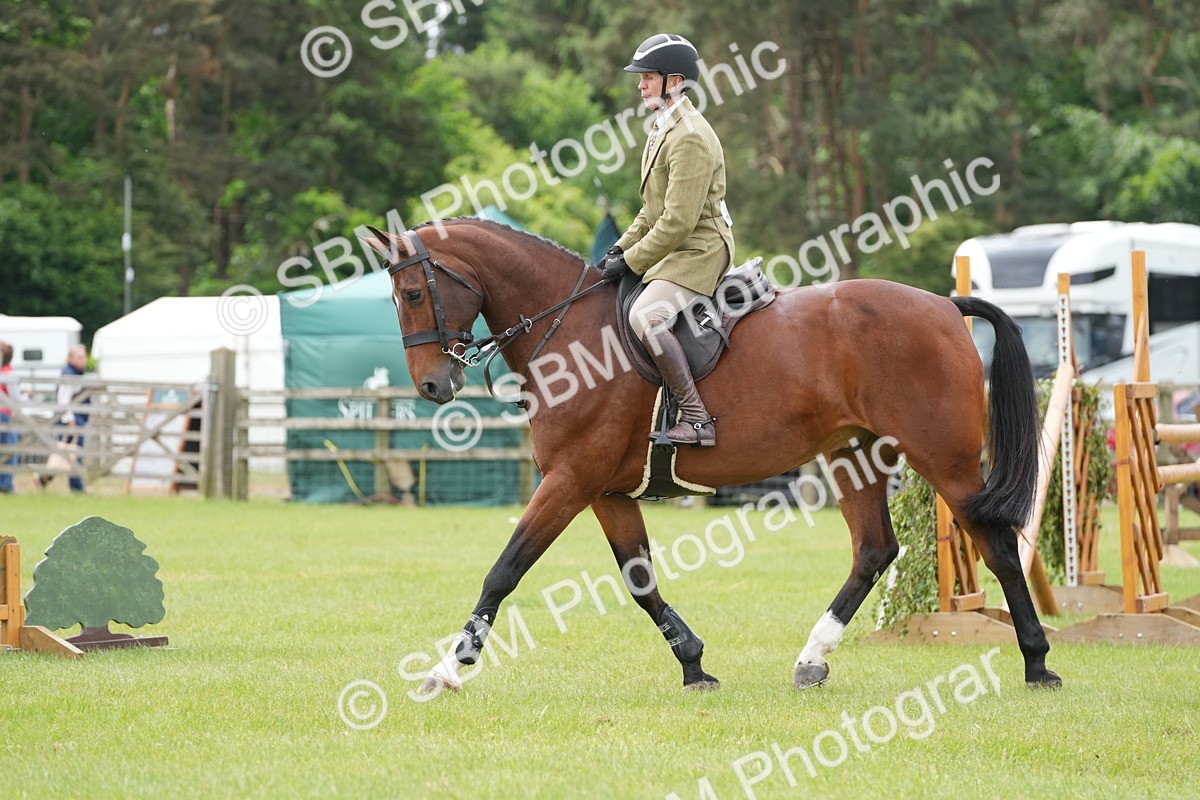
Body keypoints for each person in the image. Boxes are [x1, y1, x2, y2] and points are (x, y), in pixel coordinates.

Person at [598, 33, 735, 448]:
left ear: (674, 81)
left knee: (646, 317)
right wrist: (620, 249)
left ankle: (696, 419)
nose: (639, 85)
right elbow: (651, 210)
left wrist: (635, 260)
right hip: (675, 246)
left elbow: (677, 221)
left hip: (699, 250)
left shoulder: (690, 135)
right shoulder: (663, 126)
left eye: (647, 78)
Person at [40, 344, 89, 493]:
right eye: (79, 357)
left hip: (73, 418)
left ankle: (44, 477)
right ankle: (76, 487)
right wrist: (70, 421)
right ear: (70, 358)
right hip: (70, 419)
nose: (83, 360)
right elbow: (63, 399)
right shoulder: (69, 374)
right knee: (72, 453)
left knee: (67, 453)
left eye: (84, 357)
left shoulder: (75, 373)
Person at [0, 340, 15, 493]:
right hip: (4, 414)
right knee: (10, 449)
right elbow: (15, 398)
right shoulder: (8, 373)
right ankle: (5, 484)